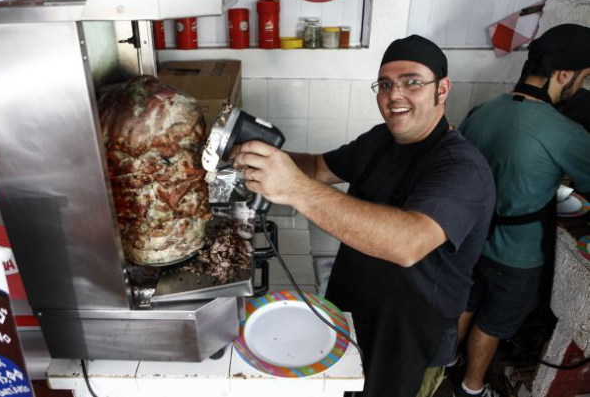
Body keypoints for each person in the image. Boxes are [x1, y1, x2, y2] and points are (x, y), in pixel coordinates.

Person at [232, 35, 496, 397]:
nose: (395, 94)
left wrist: (292, 188)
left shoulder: (461, 169)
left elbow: (407, 243)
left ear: (442, 89)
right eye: (385, 84)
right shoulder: (381, 140)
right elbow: (319, 167)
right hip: (352, 310)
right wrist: (263, 158)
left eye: (412, 82)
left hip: (406, 339)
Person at [455, 23, 590, 397]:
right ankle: (472, 387)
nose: (580, 87)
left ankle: (446, 360)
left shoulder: (483, 111)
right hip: (517, 252)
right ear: (563, 74)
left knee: (465, 301)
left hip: (470, 238)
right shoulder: (563, 131)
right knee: (495, 323)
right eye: (583, 78)